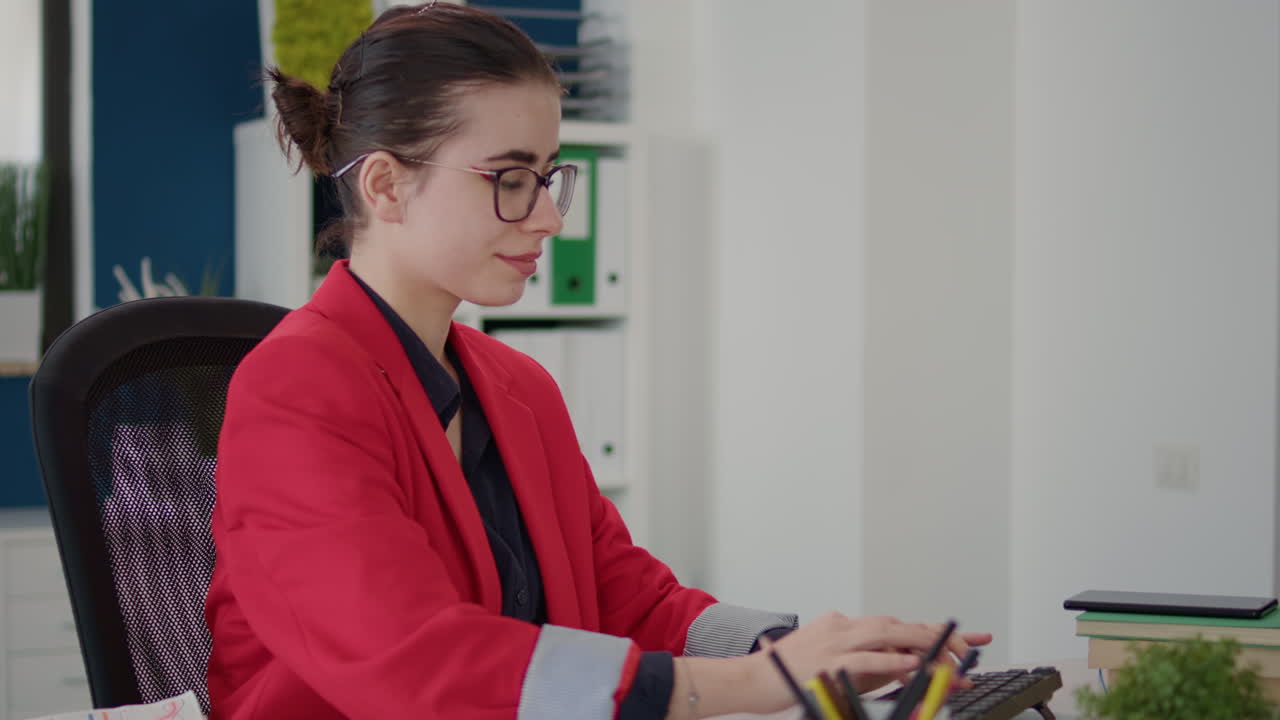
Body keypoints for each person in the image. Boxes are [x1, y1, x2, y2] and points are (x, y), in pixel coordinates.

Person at [203, 4, 992, 719]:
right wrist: (760, 684)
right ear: (386, 186)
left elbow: (628, 599)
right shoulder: (295, 390)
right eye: (511, 179)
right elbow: (418, 662)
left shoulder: (517, 387)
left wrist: (802, 651)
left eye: (548, 177)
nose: (548, 216)